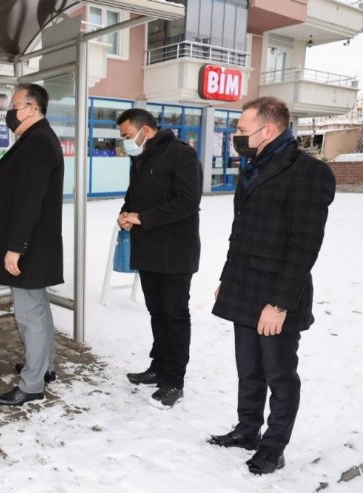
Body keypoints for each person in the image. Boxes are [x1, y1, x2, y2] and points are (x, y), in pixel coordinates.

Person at [209, 97, 335, 475]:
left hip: (278, 294)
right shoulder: (255, 165)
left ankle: (273, 446)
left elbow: (304, 246)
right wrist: (225, 280)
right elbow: (242, 231)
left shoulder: (308, 173)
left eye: (242, 130)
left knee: (279, 375)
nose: (236, 137)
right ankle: (248, 430)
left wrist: (279, 304)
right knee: (248, 368)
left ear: (269, 130)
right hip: (244, 284)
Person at [116, 108, 202, 408]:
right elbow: (134, 194)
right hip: (148, 248)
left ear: (145, 130)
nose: (124, 142)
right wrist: (126, 213)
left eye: (127, 136)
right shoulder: (139, 157)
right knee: (157, 312)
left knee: (175, 315)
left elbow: (188, 201)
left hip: (176, 251)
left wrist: (143, 217)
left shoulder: (182, 155)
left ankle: (174, 381)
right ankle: (158, 367)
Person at [0, 83, 64, 407]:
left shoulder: (37, 142)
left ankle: (32, 384)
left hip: (28, 247)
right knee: (38, 308)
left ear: (31, 108)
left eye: (15, 104)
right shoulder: (38, 139)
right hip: (36, 246)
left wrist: (16, 246)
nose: (10, 111)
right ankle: (44, 366)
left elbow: (29, 200)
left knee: (29, 315)